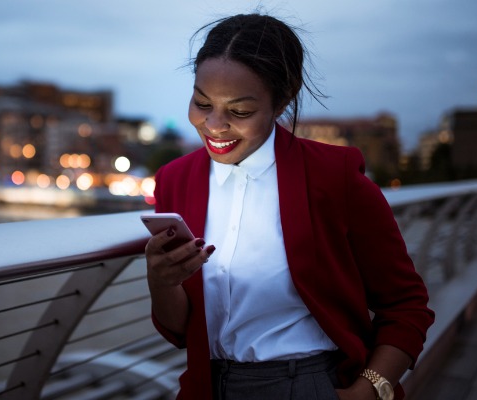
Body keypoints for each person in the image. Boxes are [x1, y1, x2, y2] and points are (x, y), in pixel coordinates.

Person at [144, 13, 434, 400]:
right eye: (202, 102)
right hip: (206, 387)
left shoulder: (335, 178)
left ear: (283, 100)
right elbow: (180, 332)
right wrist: (162, 281)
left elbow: (406, 306)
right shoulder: (174, 179)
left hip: (310, 385)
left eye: (240, 111)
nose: (214, 124)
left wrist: (370, 390)